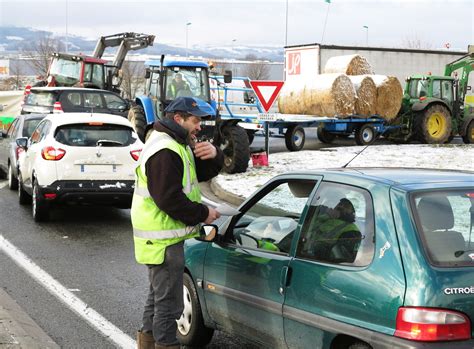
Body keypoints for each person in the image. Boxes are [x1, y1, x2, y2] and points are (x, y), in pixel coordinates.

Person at [131, 96, 224, 349]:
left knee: (157, 299)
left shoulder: (175, 143)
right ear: (178, 119)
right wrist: (203, 213)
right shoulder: (165, 150)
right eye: (195, 121)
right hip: (163, 239)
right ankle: (164, 344)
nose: (199, 127)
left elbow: (200, 174)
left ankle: (148, 343)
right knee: (169, 305)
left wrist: (215, 155)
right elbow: (169, 199)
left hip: (160, 238)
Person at [304, 198, 362, 263]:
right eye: (340, 204)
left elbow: (341, 258)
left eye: (346, 206)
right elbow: (306, 229)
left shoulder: (352, 230)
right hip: (304, 253)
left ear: (352, 212)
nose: (341, 207)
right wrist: (327, 216)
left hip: (317, 260)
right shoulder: (324, 218)